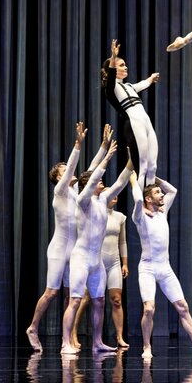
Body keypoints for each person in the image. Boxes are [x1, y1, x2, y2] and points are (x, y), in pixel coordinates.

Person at [128, 171, 192, 359]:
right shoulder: (140, 217)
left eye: (161, 193)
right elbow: (137, 201)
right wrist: (134, 179)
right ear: (148, 198)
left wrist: (153, 176)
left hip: (165, 268)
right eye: (158, 193)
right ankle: (147, 347)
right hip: (148, 268)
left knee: (183, 306)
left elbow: (173, 190)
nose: (162, 195)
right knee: (149, 308)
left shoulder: (162, 211)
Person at [61, 135, 132, 355]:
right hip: (81, 258)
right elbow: (92, 180)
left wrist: (133, 160)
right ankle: (66, 342)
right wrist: (107, 156)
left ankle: (97, 342)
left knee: (100, 301)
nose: (102, 183)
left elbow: (120, 182)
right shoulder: (82, 201)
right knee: (74, 300)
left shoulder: (103, 200)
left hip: (96, 260)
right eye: (99, 182)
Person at [25, 122, 89, 352]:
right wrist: (77, 145)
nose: (70, 172)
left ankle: (68, 337)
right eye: (64, 171)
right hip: (59, 249)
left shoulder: (76, 193)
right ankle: (33, 327)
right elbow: (73, 168)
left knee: (74, 296)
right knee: (52, 292)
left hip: (75, 250)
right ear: (58, 178)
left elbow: (90, 175)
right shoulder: (59, 192)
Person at [71, 195, 131, 349]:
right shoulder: (94, 213)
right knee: (85, 298)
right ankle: (73, 333)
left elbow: (122, 242)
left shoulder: (120, 217)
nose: (115, 196)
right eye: (110, 194)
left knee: (116, 300)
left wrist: (125, 263)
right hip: (96, 261)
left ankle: (119, 337)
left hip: (114, 262)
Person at [102, 38, 159, 188]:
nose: (126, 67)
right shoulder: (111, 88)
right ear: (113, 69)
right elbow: (111, 78)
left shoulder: (129, 86)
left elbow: (141, 85)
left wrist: (150, 79)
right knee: (143, 166)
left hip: (146, 122)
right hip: (134, 124)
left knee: (153, 166)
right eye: (122, 65)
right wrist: (114, 58)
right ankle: (141, 207)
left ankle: (150, 202)